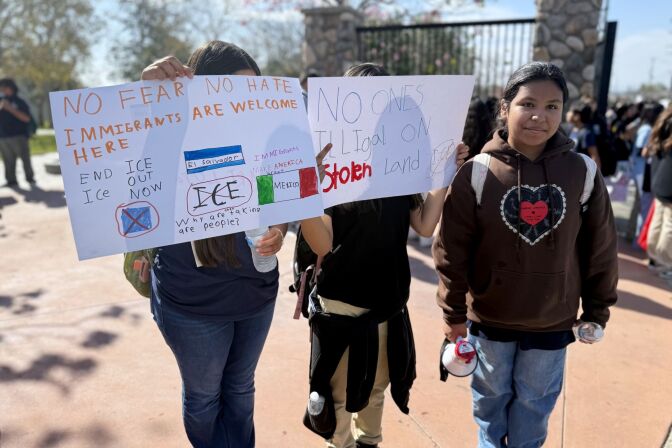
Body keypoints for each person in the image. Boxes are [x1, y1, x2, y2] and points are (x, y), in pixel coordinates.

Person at [433, 62, 619, 448]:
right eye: (528, 103)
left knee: (533, 412)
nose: (540, 115)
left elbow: (600, 247)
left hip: (552, 323)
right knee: (490, 407)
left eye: (553, 106)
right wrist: (453, 313)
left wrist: (598, 309)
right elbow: (452, 251)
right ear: (505, 108)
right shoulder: (477, 173)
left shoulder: (582, 172)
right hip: (488, 322)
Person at [299, 62, 469, 448]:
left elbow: (425, 226)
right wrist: (308, 188)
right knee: (339, 399)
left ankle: (369, 442)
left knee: (376, 391)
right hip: (340, 305)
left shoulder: (401, 167)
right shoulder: (330, 168)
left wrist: (443, 175)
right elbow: (322, 245)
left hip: (388, 303)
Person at [139, 41, 288, 448]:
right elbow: (134, 174)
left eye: (252, 91)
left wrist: (278, 230)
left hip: (256, 295)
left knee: (241, 390)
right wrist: (150, 96)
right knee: (204, 399)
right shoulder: (168, 137)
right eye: (233, 91)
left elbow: (272, 199)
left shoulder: (264, 141)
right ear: (201, 90)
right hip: (193, 304)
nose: (244, 103)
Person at [646, 104, 672, 280]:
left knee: (659, 219)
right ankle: (665, 263)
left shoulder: (663, 122)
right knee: (669, 224)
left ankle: (654, 257)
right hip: (669, 181)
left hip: (660, 178)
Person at [0, 78, 34, 187]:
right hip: (4, 136)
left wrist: (10, 108)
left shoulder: (20, 101)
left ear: (9, 88)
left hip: (19, 136)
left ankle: (30, 179)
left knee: (25, 159)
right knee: (8, 160)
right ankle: (11, 180)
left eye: (3, 87)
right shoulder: (1, 101)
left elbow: (26, 118)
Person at [568, 102, 601, 169]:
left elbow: (594, 156)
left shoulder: (586, 133)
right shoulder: (571, 129)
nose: (567, 114)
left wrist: (595, 177)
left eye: (570, 111)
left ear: (577, 116)